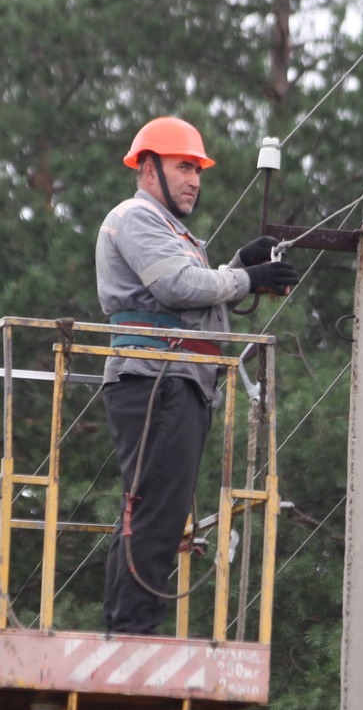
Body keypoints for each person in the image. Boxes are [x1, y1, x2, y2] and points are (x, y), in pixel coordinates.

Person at [95, 116, 297, 634]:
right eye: (183, 166)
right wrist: (246, 276)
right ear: (147, 169)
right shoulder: (136, 217)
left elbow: (191, 293)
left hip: (175, 379)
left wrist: (235, 265)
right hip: (155, 377)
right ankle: (132, 634)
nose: (194, 180)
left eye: (197, 170)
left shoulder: (168, 229)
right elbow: (179, 289)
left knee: (153, 507)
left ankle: (128, 628)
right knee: (155, 511)